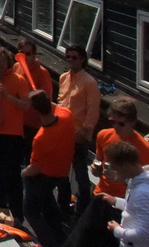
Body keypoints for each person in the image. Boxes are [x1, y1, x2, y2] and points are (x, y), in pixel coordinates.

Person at [65, 98, 149, 247]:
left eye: (121, 123)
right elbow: (99, 161)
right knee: (80, 239)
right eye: (112, 122)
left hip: (123, 203)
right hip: (101, 195)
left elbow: (148, 181)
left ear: (133, 122)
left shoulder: (146, 149)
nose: (116, 127)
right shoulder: (103, 135)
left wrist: (122, 179)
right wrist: (96, 169)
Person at [0, 47, 31, 223]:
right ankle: (0, 211)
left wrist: (7, 96)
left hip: (12, 135)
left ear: (8, 62)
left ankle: (17, 215)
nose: (1, 65)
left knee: (12, 176)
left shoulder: (19, 80)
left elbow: (26, 106)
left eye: (4, 61)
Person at [21, 90, 75, 247]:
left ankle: (49, 243)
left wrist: (23, 173)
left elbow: (35, 168)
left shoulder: (41, 138)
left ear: (35, 110)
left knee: (31, 211)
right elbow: (56, 107)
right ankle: (61, 239)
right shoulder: (67, 116)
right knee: (48, 205)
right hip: (62, 173)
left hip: (44, 176)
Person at [58, 44, 101, 216]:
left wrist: (84, 132)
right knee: (61, 173)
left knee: (80, 174)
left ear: (82, 59)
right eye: (68, 57)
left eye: (74, 57)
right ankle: (63, 205)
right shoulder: (63, 78)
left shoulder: (89, 83)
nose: (70, 60)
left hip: (78, 135)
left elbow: (93, 111)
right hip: (61, 132)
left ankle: (83, 207)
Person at [104, 141, 149, 247]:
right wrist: (116, 201)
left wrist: (117, 230)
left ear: (124, 166)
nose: (114, 171)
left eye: (115, 167)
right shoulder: (148, 180)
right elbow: (137, 208)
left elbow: (146, 234)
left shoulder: (143, 193)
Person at [15, 38, 54, 161]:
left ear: (34, 55)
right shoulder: (17, 66)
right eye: (22, 53)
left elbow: (47, 100)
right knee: (16, 156)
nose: (25, 57)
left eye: (28, 54)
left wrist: (34, 97)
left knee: (30, 157)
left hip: (33, 123)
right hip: (18, 120)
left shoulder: (43, 73)